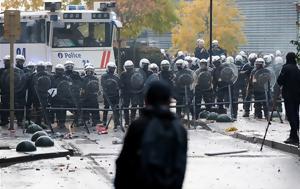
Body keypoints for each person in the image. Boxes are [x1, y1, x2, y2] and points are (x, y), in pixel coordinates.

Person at [115, 81, 187, 189]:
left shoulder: (138, 126)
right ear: (169, 101)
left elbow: (124, 162)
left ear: (146, 100)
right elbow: (180, 165)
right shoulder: (179, 129)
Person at [277, 52, 300, 145]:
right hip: (297, 96)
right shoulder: (297, 69)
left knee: (291, 115)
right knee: (296, 114)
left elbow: (279, 81)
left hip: (289, 95)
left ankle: (294, 136)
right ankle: (293, 135)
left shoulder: (286, 68)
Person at [49, 64, 70, 129]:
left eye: (61, 70)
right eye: (58, 70)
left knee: (63, 110)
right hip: (55, 97)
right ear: (55, 70)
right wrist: (51, 96)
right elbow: (50, 87)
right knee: (56, 110)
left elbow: (69, 87)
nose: (59, 71)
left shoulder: (66, 78)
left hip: (64, 96)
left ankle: (62, 123)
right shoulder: (52, 77)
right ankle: (56, 122)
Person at [101, 62, 121, 131]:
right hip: (107, 95)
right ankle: (104, 121)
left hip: (115, 95)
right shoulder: (104, 76)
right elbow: (103, 85)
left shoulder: (116, 76)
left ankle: (117, 122)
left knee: (116, 109)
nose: (112, 69)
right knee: (106, 108)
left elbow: (119, 85)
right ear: (108, 68)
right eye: (111, 68)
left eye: (113, 68)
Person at [241, 53, 257, 117]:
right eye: (252, 60)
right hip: (249, 83)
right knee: (247, 97)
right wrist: (247, 71)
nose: (253, 61)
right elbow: (241, 73)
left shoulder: (259, 65)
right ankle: (246, 111)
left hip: (257, 84)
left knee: (258, 98)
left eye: (254, 60)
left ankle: (257, 112)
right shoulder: (246, 65)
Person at [120, 60, 135, 127]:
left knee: (129, 107)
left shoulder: (123, 74)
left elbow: (121, 84)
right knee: (131, 107)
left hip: (128, 93)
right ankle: (129, 122)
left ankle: (128, 122)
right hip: (130, 92)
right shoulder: (123, 74)